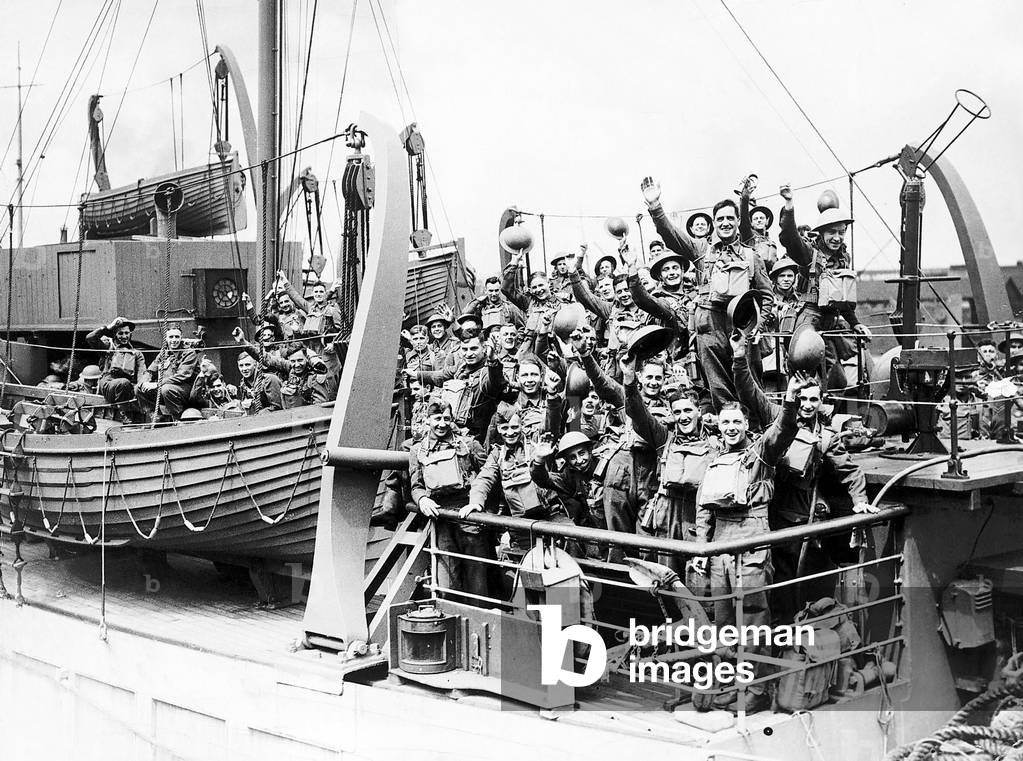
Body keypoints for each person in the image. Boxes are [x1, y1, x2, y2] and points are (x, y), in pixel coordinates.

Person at [731, 333, 872, 622]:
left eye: (813, 400)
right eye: (803, 398)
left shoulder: (827, 438)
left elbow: (850, 471)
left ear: (821, 402)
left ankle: (792, 637)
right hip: (768, 515)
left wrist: (860, 501)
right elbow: (748, 390)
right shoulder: (778, 415)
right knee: (767, 583)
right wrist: (738, 358)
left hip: (799, 521)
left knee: (795, 585)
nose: (807, 404)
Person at [691, 375, 805, 713]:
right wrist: (701, 548)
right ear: (718, 427)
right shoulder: (714, 461)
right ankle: (729, 685)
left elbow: (781, 432)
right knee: (724, 623)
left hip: (752, 543)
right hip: (718, 547)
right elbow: (703, 510)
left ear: (746, 425)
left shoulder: (761, 455)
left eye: (736, 422)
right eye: (725, 422)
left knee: (753, 621)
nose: (730, 427)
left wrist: (790, 403)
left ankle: (756, 691)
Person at [641, 177, 773, 408]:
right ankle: (727, 433)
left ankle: (756, 432)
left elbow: (767, 296)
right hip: (709, 326)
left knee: (751, 383)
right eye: (720, 219)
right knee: (718, 387)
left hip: (743, 326)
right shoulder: (702, 250)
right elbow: (671, 234)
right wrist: (655, 207)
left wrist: (758, 327)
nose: (725, 223)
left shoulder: (751, 255)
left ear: (738, 220)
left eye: (730, 218)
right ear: (714, 222)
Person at [624, 354, 719, 580]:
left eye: (688, 411)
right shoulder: (664, 439)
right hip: (666, 515)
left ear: (699, 412)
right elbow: (639, 414)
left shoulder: (715, 445)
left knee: (696, 577)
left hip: (697, 516)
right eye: (677, 412)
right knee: (663, 577)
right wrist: (629, 381)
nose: (683, 417)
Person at [778, 185, 870, 382]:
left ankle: (824, 411)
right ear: (821, 233)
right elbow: (789, 237)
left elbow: (842, 299)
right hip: (808, 318)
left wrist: (856, 324)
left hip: (831, 321)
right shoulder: (808, 253)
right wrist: (788, 204)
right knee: (805, 366)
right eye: (832, 232)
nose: (837, 237)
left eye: (842, 232)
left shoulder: (844, 258)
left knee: (838, 381)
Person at [409, 400, 491, 600]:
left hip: (469, 517)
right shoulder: (418, 451)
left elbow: (487, 475)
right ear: (427, 420)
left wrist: (480, 505)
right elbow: (416, 485)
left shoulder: (469, 445)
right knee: (446, 581)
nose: (442, 424)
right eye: (437, 419)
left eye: (447, 419)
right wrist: (421, 501)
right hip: (441, 518)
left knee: (477, 579)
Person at [466, 407, 571, 553]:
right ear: (498, 429)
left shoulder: (535, 443)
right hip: (521, 523)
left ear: (522, 425)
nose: (510, 433)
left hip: (551, 514)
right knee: (528, 562)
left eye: (515, 427)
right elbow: (484, 478)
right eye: (505, 428)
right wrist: (475, 502)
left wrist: (552, 396)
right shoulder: (497, 454)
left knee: (571, 546)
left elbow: (552, 423)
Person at [410, 334, 505, 443]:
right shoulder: (462, 366)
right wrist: (416, 374)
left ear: (484, 348)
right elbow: (442, 375)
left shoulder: (487, 371)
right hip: (452, 428)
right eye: (465, 349)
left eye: (473, 349)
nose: (468, 354)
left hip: (476, 434)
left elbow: (496, 382)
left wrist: (493, 359)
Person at [86, 316, 147, 423]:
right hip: (109, 385)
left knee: (137, 387)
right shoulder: (108, 347)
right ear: (115, 334)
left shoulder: (136, 354)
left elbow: (142, 373)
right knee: (123, 382)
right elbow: (90, 338)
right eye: (120, 333)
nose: (124, 336)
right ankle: (125, 414)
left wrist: (141, 388)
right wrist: (108, 328)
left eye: (126, 333)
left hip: (128, 387)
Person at [136, 324, 199, 422]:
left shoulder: (189, 353)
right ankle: (157, 418)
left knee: (167, 389)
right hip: (167, 389)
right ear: (166, 338)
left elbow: (182, 376)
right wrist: (144, 382)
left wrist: (157, 384)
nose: (174, 340)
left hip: (186, 390)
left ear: (181, 337)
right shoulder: (164, 353)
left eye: (177, 337)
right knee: (139, 388)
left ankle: (178, 419)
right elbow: (151, 371)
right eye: (171, 337)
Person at [502, 250, 563, 330]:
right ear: (530, 289)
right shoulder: (528, 301)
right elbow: (506, 289)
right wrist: (514, 263)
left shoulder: (561, 300)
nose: (538, 290)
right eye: (534, 287)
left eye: (541, 285)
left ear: (548, 283)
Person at [275, 271, 345, 337]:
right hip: (311, 347)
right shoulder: (310, 308)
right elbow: (295, 296)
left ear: (325, 293)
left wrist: (332, 344)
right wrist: (283, 279)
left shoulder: (332, 310)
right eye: (316, 292)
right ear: (313, 294)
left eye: (321, 292)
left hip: (326, 346)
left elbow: (342, 331)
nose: (318, 294)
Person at [280, 343, 337, 409]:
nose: (297, 365)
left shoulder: (315, 376)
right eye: (293, 361)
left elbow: (320, 407)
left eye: (300, 360)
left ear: (307, 358)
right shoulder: (293, 370)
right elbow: (277, 361)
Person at [739, 176, 778, 270]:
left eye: (762, 218)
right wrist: (745, 197)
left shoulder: (771, 242)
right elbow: (744, 218)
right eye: (756, 219)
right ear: (751, 223)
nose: (759, 220)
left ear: (767, 221)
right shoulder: (749, 236)